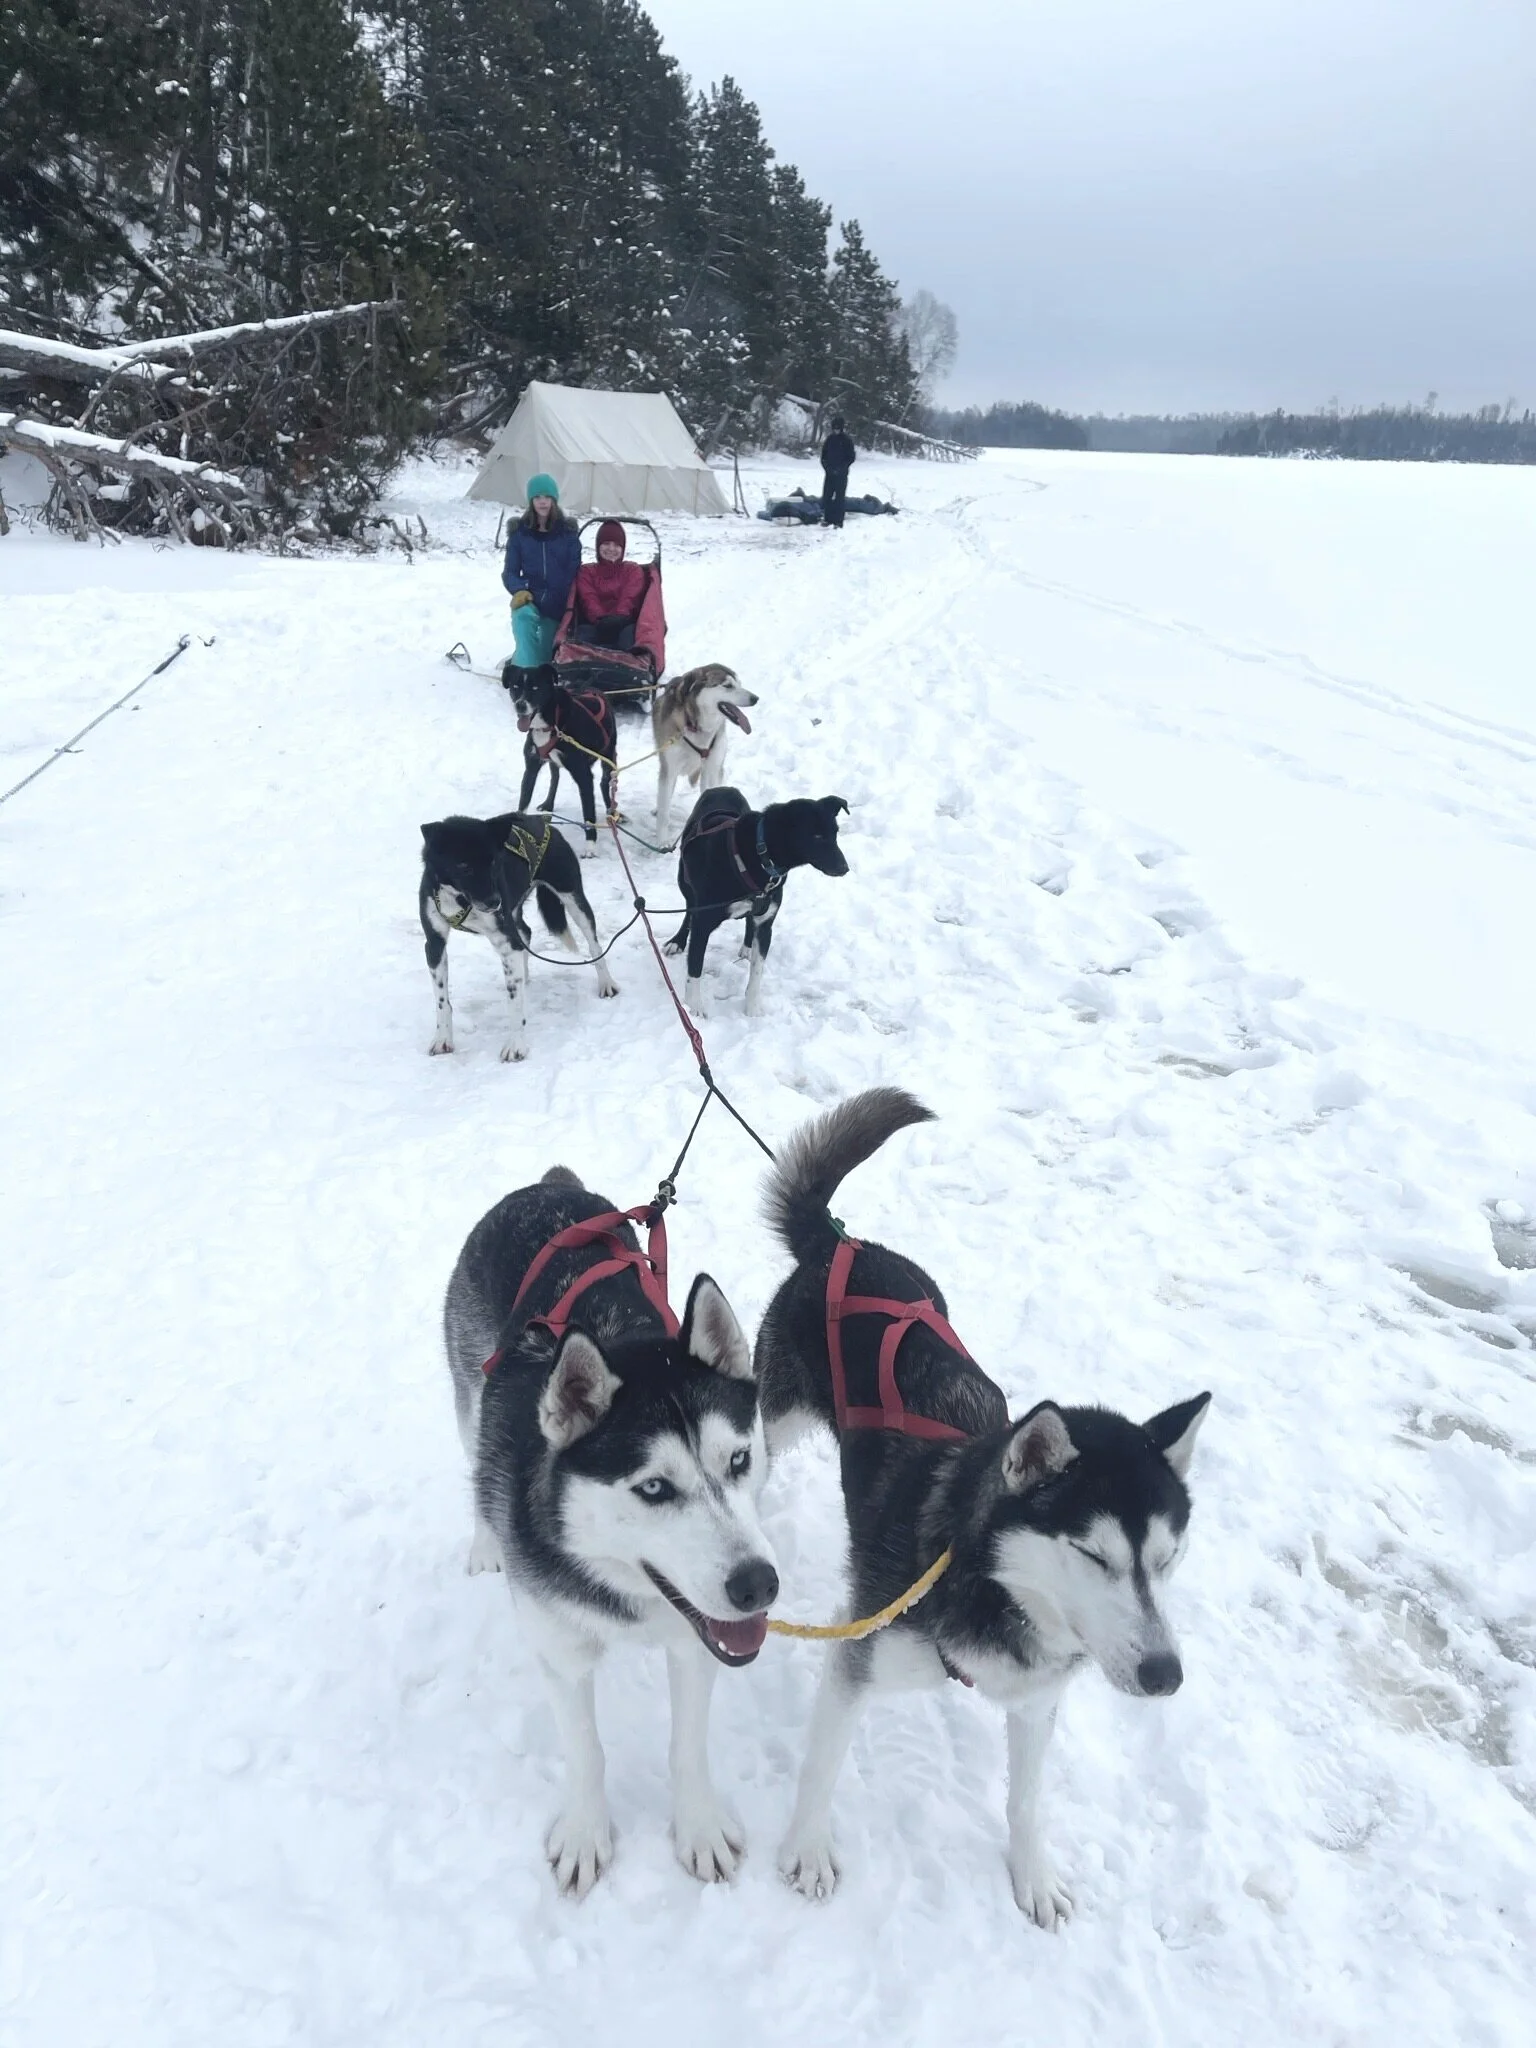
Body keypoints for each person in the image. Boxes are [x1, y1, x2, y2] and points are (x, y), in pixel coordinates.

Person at [501, 473, 582, 668]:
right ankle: (524, 674)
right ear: (531, 501)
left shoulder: (567, 534)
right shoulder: (520, 534)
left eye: (547, 497)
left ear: (554, 499)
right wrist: (520, 589)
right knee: (522, 617)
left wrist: (563, 598)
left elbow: (574, 571)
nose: (542, 502)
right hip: (531, 597)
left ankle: (525, 661)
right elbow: (510, 572)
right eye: (537, 497)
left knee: (546, 653)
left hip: (557, 603)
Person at [565, 519, 647, 650]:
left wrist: (618, 618)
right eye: (606, 543)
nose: (611, 549)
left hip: (624, 624)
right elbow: (588, 598)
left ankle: (627, 666)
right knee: (580, 638)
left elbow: (630, 597)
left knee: (631, 638)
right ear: (598, 546)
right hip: (595, 624)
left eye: (616, 545)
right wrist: (600, 619)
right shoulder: (587, 571)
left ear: (623, 548)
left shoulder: (632, 570)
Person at [818, 415, 856, 530]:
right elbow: (823, 457)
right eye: (834, 428)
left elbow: (851, 457)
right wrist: (827, 468)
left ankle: (838, 521)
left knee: (840, 498)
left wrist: (842, 468)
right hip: (829, 473)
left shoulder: (847, 440)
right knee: (827, 496)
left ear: (842, 428)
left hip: (841, 474)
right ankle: (828, 519)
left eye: (838, 428)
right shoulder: (829, 440)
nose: (836, 430)